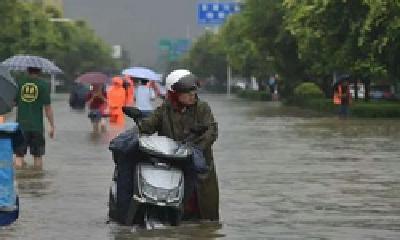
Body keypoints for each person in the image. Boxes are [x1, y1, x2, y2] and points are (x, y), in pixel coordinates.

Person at [131, 69, 219, 221]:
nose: (193, 96)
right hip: (173, 165)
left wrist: (196, 149)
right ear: (174, 93)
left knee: (205, 215)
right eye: (188, 93)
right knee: (175, 211)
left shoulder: (202, 108)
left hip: (200, 167)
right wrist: (138, 120)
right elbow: (149, 126)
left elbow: (212, 131)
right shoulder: (164, 110)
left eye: (194, 92)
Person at [14, 67, 55, 170]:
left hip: (21, 126)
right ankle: (37, 180)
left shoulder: (19, 84)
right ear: (40, 71)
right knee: (37, 156)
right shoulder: (43, 85)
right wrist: (52, 125)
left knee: (19, 156)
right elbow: (48, 108)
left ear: (27, 70)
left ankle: (20, 181)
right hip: (37, 126)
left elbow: (13, 103)